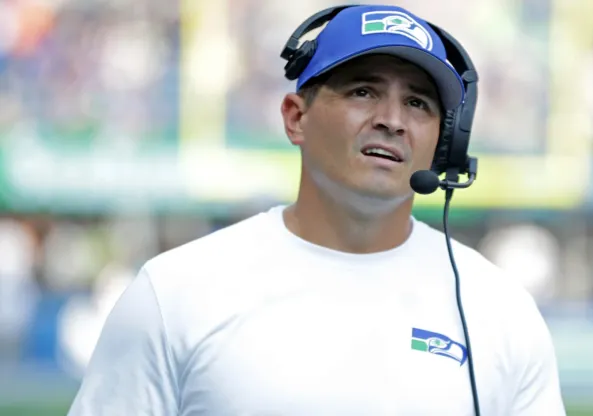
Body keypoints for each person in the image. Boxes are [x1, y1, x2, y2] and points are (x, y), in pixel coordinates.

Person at [67, 4, 566, 415]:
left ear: (444, 142)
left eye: (418, 103)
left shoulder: (500, 310)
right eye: (363, 91)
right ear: (296, 117)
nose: (392, 120)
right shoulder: (173, 293)